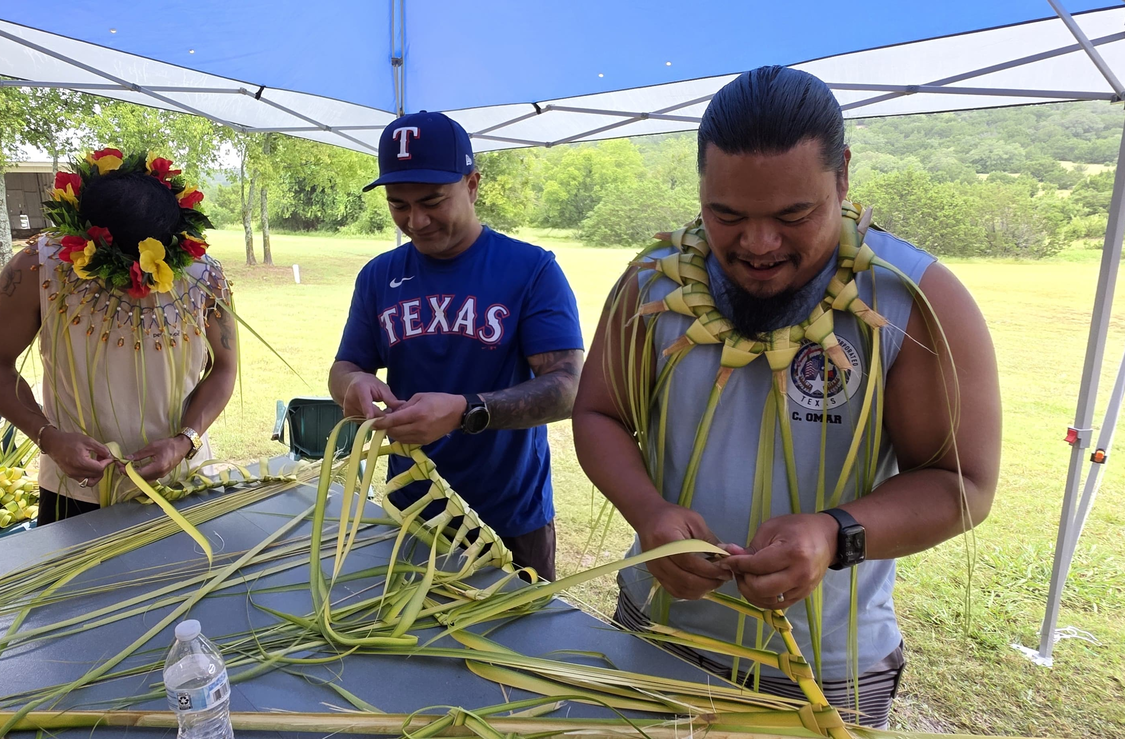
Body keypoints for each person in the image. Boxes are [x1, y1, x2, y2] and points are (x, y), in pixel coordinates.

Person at [571, 66, 1000, 727]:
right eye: (728, 214)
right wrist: (649, 510)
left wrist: (836, 534)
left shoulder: (912, 302)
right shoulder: (653, 286)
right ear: (701, 189)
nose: (759, 244)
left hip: (824, 667)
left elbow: (962, 482)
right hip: (657, 626)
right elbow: (598, 411)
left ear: (844, 175)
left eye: (794, 214)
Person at [329, 111, 585, 581]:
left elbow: (569, 387)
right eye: (398, 205)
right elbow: (346, 365)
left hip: (508, 519)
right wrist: (355, 383)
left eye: (432, 200)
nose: (416, 220)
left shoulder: (531, 270)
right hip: (412, 510)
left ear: (472, 184)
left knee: (516, 648)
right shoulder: (379, 276)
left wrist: (466, 411)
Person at [0, 147, 236, 524]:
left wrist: (185, 441)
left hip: (183, 480)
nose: (135, 282)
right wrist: (47, 437)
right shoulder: (39, 266)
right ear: (86, 239)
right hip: (73, 489)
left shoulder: (204, 276)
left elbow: (224, 368)